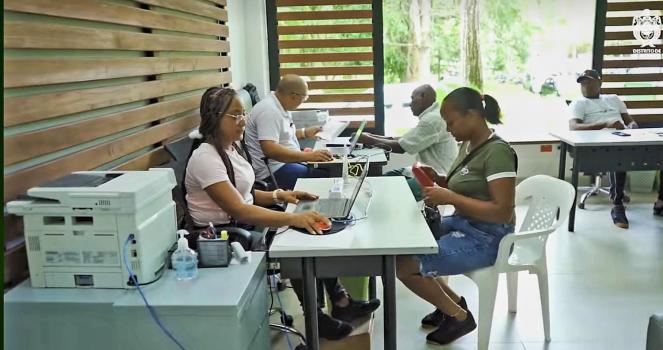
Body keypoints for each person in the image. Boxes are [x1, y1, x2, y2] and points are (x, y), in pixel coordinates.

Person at [185, 87, 380, 340]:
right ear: (213, 117)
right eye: (234, 115)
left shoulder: (232, 149)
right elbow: (238, 208)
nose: (242, 121)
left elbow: (246, 194)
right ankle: (318, 317)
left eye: (243, 114)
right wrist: (292, 217)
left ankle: (341, 301)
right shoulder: (206, 158)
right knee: (302, 242)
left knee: (315, 228)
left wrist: (282, 196)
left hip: (245, 224)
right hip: (227, 239)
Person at [396, 87, 517, 345]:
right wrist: (438, 180)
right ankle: (451, 302)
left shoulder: (498, 153)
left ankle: (460, 317)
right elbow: (465, 186)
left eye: (451, 122)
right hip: (465, 223)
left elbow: (502, 211)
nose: (448, 130)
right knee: (409, 244)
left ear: (472, 114)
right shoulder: (469, 145)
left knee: (405, 267)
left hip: (488, 236)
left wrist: (450, 198)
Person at [569, 69, 663, 228]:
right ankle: (617, 205)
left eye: (588, 81)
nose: (585, 85)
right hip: (599, 146)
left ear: (599, 82)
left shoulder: (613, 99)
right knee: (619, 156)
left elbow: (629, 120)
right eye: (582, 82)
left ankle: (662, 203)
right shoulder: (579, 103)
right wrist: (605, 124)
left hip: (625, 139)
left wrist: (632, 126)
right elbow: (574, 127)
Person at [358, 84, 458, 200]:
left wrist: (367, 139)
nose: (410, 103)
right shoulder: (430, 116)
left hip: (435, 177)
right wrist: (370, 136)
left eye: (412, 98)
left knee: (385, 192)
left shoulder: (431, 120)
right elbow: (403, 140)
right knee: (380, 182)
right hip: (422, 171)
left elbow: (401, 148)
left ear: (423, 96)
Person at [245, 74, 332, 190]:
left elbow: (280, 134)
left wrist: (305, 133)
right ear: (293, 96)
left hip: (283, 164)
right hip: (273, 172)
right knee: (327, 175)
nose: (303, 101)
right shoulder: (269, 111)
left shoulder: (279, 105)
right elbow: (270, 150)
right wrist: (307, 156)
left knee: (328, 167)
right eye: (304, 98)